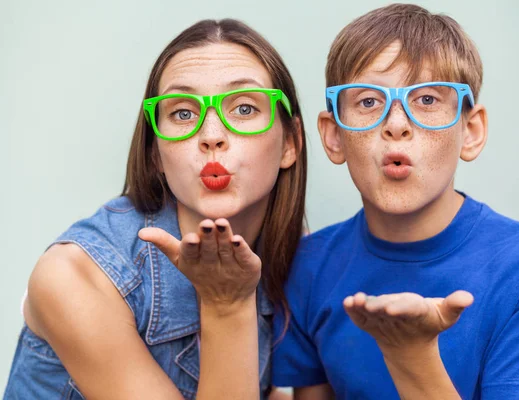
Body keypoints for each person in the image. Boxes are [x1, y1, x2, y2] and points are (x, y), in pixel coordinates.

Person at [272, 4, 519, 400]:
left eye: (427, 100)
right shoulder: (307, 266)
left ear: (470, 131)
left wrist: (412, 354)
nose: (397, 124)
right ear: (334, 135)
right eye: (368, 101)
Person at [4, 18, 306, 400]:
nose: (211, 136)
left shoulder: (297, 259)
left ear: (290, 144)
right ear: (156, 155)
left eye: (244, 109)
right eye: (182, 113)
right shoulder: (73, 277)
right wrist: (226, 304)